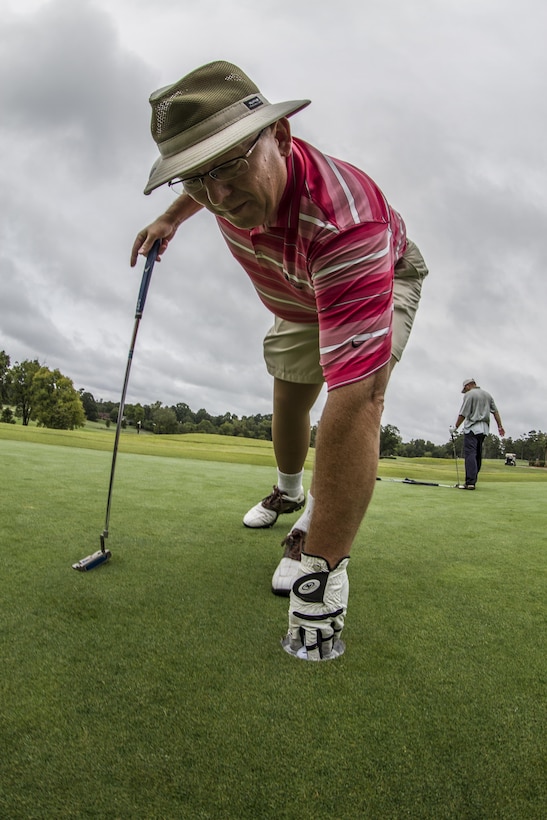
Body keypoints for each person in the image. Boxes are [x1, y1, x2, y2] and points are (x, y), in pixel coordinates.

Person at [131, 60, 428, 660]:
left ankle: (313, 539)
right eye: (193, 177)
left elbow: (356, 399)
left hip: (371, 276)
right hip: (295, 295)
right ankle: (290, 490)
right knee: (289, 395)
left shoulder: (347, 220)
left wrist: (321, 578)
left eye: (228, 166)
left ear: (282, 139)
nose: (217, 196)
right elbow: (211, 184)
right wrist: (171, 215)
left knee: (356, 394)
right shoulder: (216, 191)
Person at [451, 379, 505, 490]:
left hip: (472, 428)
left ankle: (470, 482)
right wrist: (500, 426)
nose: (465, 391)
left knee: (470, 454)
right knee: (477, 454)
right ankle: (473, 480)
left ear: (469, 385)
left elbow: (463, 413)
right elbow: (495, 412)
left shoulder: (469, 395)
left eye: (465, 388)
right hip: (484, 429)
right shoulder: (487, 395)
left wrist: (455, 427)